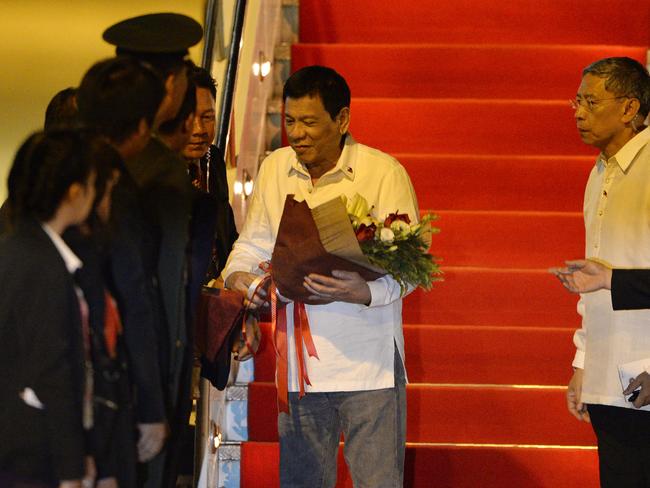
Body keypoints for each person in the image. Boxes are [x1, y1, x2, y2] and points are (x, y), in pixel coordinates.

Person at [222, 65, 418, 487]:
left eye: (310, 122)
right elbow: (250, 246)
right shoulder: (275, 168)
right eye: (290, 121)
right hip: (298, 370)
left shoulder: (383, 173)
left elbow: (412, 270)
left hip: (370, 365)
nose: (298, 133)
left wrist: (363, 291)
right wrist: (240, 278)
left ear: (342, 119)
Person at [102, 13, 203, 488]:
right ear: (169, 85)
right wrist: (155, 397)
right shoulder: (159, 171)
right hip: (139, 380)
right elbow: (154, 294)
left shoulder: (72, 156)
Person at [552, 57, 650, 487]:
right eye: (577, 100)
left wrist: (611, 280)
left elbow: (607, 279)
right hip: (614, 376)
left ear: (629, 109)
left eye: (591, 102)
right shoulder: (599, 174)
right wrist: (583, 363)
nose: (578, 112)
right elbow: (592, 284)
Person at [77, 55, 171, 474]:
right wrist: (151, 406)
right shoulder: (118, 193)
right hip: (102, 386)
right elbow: (135, 300)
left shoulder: (44, 175)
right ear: (141, 129)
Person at [0, 130, 101, 488]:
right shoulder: (39, 262)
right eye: (93, 183)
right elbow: (50, 373)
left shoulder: (23, 247)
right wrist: (71, 468)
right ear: (74, 192)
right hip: (29, 453)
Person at [183, 65, 238, 280]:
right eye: (188, 118)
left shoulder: (212, 159)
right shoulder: (158, 174)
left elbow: (227, 233)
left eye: (207, 117)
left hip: (218, 293)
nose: (198, 129)